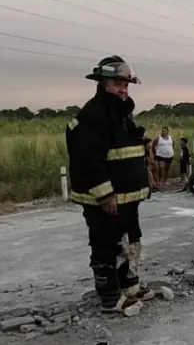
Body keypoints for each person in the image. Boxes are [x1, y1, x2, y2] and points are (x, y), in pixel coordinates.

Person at [65, 56, 154, 314]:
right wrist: (105, 196)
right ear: (103, 83)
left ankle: (129, 287)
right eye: (118, 84)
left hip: (127, 198)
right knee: (106, 244)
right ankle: (109, 295)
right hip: (105, 200)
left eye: (126, 85)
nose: (123, 90)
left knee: (130, 241)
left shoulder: (121, 115)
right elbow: (88, 161)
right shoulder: (92, 117)